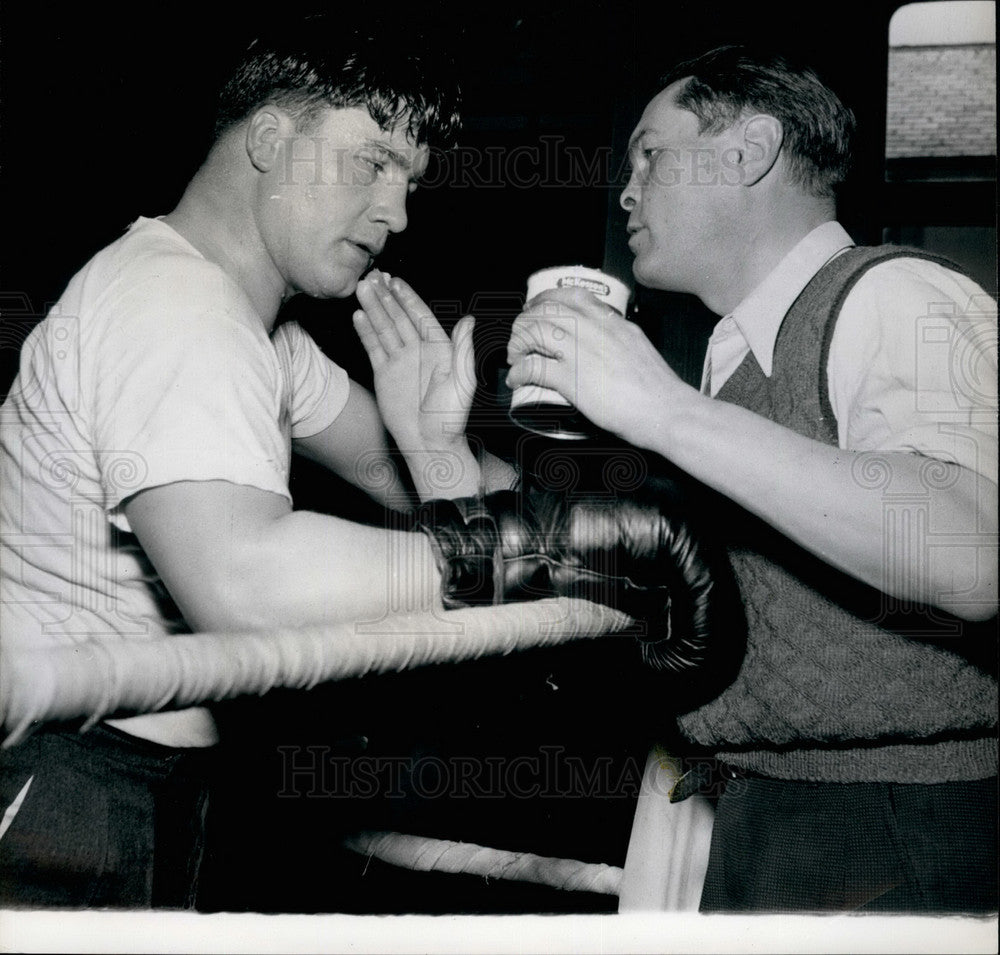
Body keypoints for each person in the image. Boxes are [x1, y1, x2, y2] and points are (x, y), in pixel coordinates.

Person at [0, 19, 740, 910]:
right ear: (271, 138)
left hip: (133, 766)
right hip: (62, 770)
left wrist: (435, 446)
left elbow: (394, 475)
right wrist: (535, 544)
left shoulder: (251, 326)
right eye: (373, 162)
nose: (395, 213)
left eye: (409, 182)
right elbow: (243, 583)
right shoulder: (175, 308)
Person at [506, 45, 998, 913]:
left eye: (651, 154)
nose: (627, 189)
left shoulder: (898, 294)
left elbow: (972, 556)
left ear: (749, 150)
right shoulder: (730, 359)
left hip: (891, 820)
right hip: (769, 804)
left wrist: (662, 412)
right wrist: (425, 443)